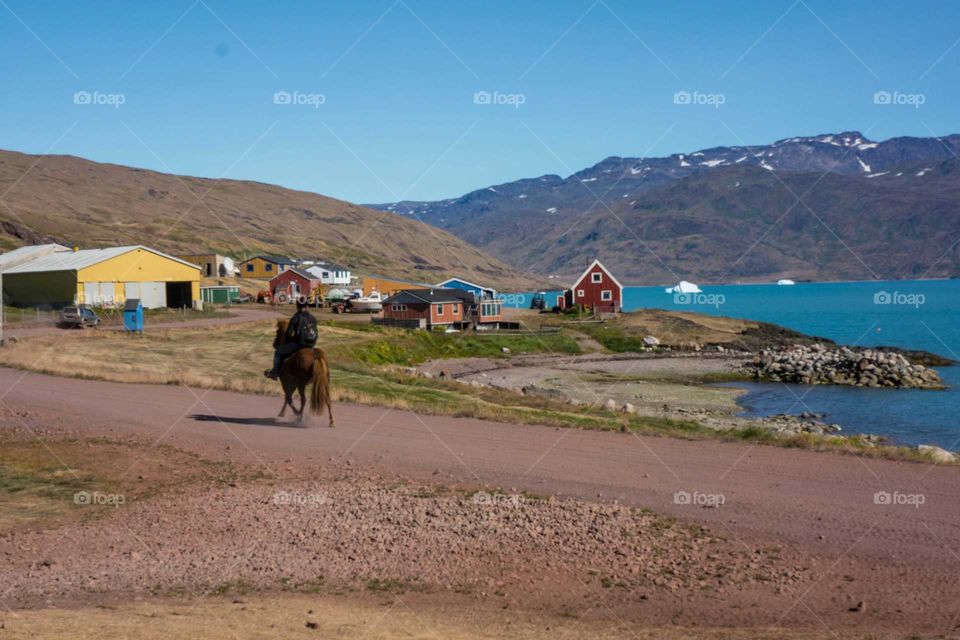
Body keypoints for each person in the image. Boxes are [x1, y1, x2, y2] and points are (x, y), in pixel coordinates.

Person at [264, 297, 318, 380]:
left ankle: (274, 373)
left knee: (278, 352)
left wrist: (289, 342)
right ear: (307, 306)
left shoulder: (295, 318)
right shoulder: (313, 318)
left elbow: (288, 334)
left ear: (297, 306)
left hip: (299, 345)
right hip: (311, 345)